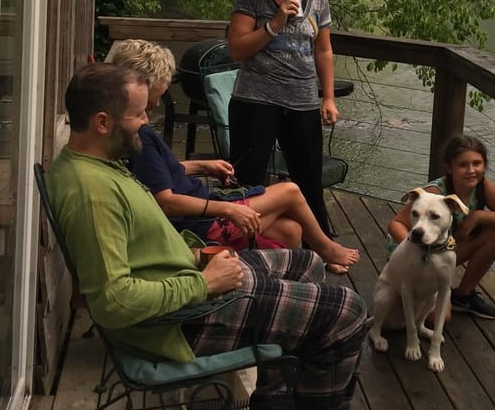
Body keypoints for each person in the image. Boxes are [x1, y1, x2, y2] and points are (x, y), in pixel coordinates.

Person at [46, 63, 371, 410]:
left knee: (303, 263)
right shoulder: (92, 193)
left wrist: (199, 255)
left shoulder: (98, 165)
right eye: (139, 115)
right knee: (347, 313)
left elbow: (141, 250)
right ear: (102, 123)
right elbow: (113, 302)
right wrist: (205, 283)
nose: (147, 122)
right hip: (180, 321)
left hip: (189, 280)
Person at [105, 39, 358, 274]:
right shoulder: (140, 138)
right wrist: (226, 209)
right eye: (162, 86)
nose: (161, 97)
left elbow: (158, 176)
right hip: (203, 224)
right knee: (290, 191)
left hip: (202, 212)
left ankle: (273, 282)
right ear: (141, 84)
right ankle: (325, 249)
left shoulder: (133, 132)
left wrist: (202, 165)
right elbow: (166, 202)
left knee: (290, 230)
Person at [227, 0, 339, 235]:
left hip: (302, 99)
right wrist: (276, 21)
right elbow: (236, 49)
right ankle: (241, 242)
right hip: (255, 99)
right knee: (248, 178)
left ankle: (320, 242)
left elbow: (323, 50)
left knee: (308, 177)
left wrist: (327, 96)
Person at [387, 133, 495, 320]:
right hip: (413, 257)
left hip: (443, 250)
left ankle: (463, 296)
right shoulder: (435, 193)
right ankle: (409, 293)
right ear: (448, 168)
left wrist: (478, 215)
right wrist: (415, 248)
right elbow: (396, 224)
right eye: (462, 165)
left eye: (477, 163)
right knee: (440, 317)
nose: (471, 170)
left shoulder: (482, 186)